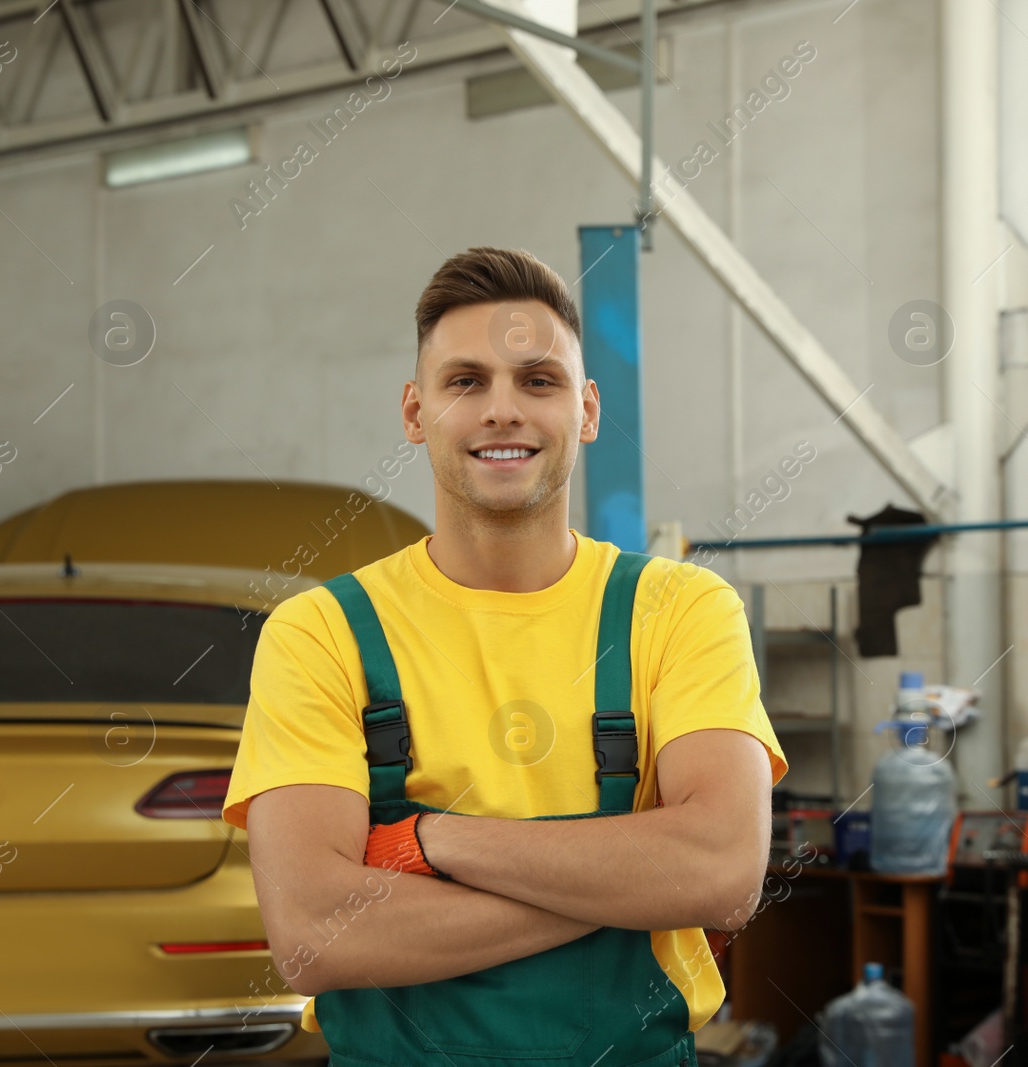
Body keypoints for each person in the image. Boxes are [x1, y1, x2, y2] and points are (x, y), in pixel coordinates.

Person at [221, 246, 788, 1067]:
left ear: (587, 410)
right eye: (465, 381)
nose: (502, 410)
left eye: (538, 380)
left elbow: (725, 871)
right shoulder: (322, 632)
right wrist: (631, 881)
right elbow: (314, 932)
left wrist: (435, 840)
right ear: (416, 413)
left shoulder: (681, 610)